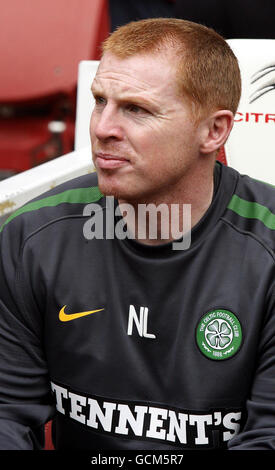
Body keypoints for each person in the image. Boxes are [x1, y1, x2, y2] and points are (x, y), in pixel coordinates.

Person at [0, 18, 275, 451]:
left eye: (136, 109)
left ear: (214, 131)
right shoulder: (32, 238)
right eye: (99, 101)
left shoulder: (266, 251)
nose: (102, 128)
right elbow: (6, 415)